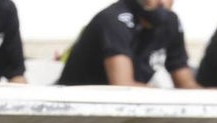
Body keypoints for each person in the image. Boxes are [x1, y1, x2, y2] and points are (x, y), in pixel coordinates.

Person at [57, 0, 197, 87]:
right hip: (74, 113)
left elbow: (186, 84)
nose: (162, 1)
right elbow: (123, 86)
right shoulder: (114, 20)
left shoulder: (170, 22)